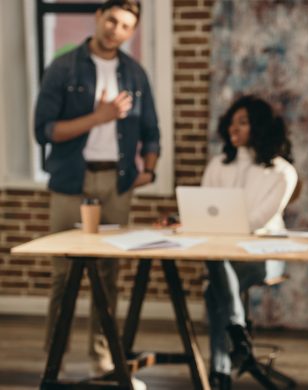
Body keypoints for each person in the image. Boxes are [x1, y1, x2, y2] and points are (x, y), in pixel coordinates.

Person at [33, 0, 160, 382]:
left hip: (117, 185)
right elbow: (45, 130)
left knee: (108, 275)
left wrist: (149, 172)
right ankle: (53, 360)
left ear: (130, 32)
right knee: (63, 274)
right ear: (98, 18)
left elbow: (152, 132)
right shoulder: (63, 67)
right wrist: (98, 118)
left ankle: (103, 361)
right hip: (71, 181)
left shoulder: (135, 74)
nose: (115, 30)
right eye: (111, 20)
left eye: (124, 25)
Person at [201, 95, 298, 390]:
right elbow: (205, 208)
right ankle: (237, 335)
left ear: (259, 127)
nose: (234, 128)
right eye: (232, 122)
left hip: (266, 254)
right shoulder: (218, 165)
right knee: (217, 261)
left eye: (242, 122)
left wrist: (219, 225)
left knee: (213, 293)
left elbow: (258, 220)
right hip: (224, 253)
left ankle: (220, 370)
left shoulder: (282, 171)